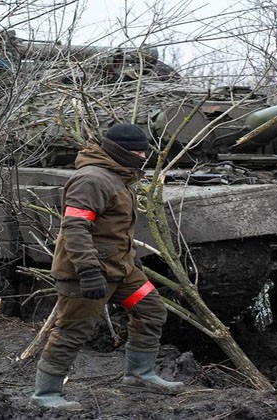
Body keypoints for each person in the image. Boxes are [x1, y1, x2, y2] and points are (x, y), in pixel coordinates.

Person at [31, 123, 184, 410]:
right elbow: (75, 228)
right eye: (137, 151)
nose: (142, 156)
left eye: (143, 151)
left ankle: (140, 374)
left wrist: (129, 257)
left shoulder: (118, 176)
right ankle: (46, 394)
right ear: (119, 151)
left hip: (120, 269)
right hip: (86, 272)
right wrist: (88, 271)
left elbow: (114, 228)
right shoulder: (92, 179)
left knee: (151, 310)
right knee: (72, 330)